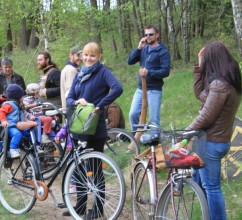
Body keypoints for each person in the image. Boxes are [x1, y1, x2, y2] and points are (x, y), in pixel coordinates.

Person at [64, 42, 123, 219]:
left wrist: (99, 105)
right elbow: (70, 97)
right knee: (79, 168)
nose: (89, 59)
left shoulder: (103, 72)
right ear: (82, 56)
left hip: (95, 128)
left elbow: (118, 88)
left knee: (95, 169)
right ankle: (80, 206)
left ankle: (98, 209)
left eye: (93, 56)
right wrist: (76, 102)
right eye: (86, 55)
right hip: (78, 126)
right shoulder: (80, 73)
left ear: (99, 57)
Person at [186, 42, 242, 220]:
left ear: (213, 60)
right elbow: (201, 95)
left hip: (212, 142)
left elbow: (206, 117)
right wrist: (199, 65)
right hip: (219, 140)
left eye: (206, 60)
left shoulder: (219, 85)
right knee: (202, 182)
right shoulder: (229, 82)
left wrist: (186, 132)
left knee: (212, 187)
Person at [128, 24, 171, 134]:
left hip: (154, 90)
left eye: (150, 34)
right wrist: (138, 48)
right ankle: (136, 138)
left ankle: (154, 141)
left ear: (157, 35)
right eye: (146, 35)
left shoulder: (163, 51)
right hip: (140, 89)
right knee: (133, 114)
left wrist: (149, 73)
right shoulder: (143, 49)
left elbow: (165, 71)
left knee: (153, 119)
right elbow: (130, 61)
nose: (148, 37)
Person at [0, 56, 26, 159]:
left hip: (15, 108)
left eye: (9, 67)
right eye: (5, 67)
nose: (8, 69)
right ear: (2, 67)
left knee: (14, 128)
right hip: (1, 107)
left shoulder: (18, 78)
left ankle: (11, 152)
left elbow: (23, 93)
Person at [0, 84, 30, 158]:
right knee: (17, 134)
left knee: (28, 132)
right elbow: (0, 112)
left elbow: (21, 115)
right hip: (10, 126)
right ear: (18, 97)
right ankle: (13, 149)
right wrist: (4, 121)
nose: (23, 98)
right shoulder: (9, 105)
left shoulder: (18, 105)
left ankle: (31, 146)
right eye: (22, 96)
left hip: (18, 125)